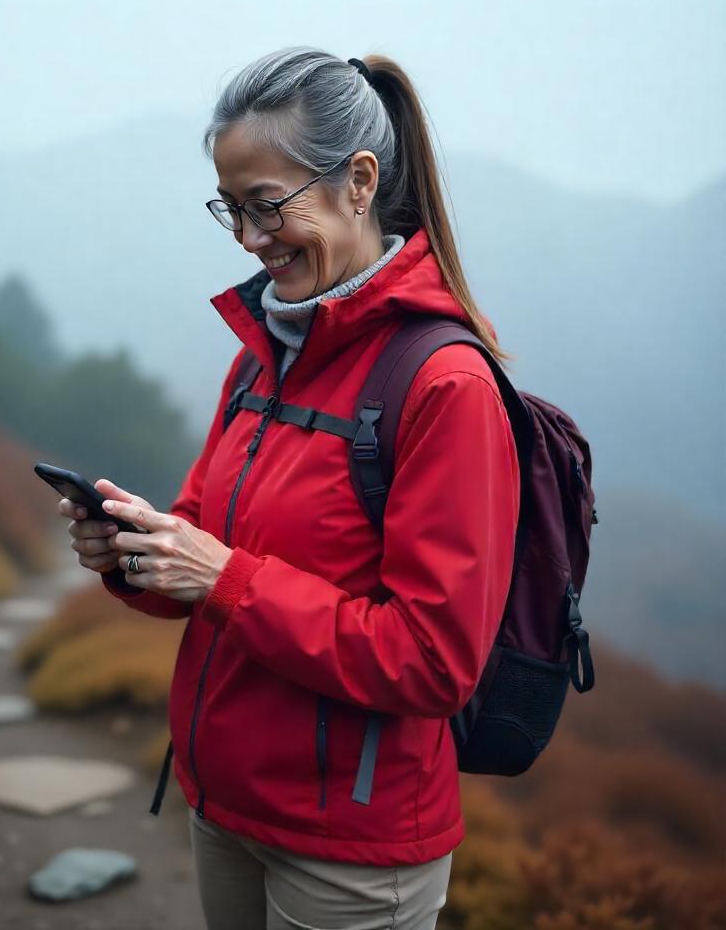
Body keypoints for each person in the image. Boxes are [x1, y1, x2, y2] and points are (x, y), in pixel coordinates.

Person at [59, 47, 521, 930]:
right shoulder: (263, 353)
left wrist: (222, 576)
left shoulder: (443, 386)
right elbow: (205, 535)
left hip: (352, 846)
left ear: (358, 181)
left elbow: (433, 660)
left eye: (266, 205)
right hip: (225, 804)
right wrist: (136, 552)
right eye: (229, 208)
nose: (247, 237)